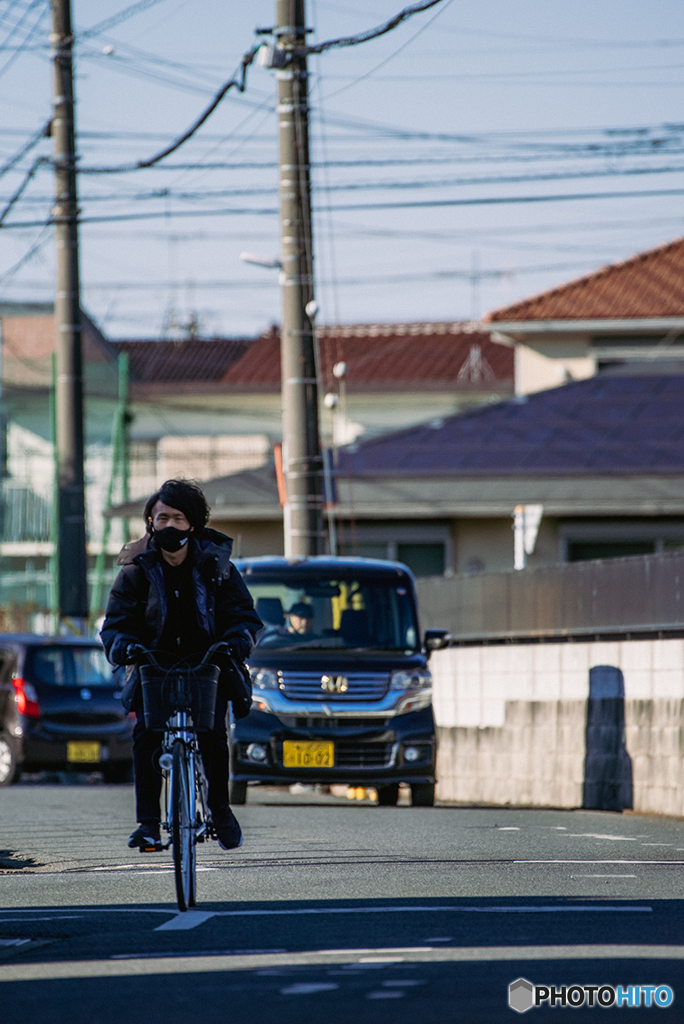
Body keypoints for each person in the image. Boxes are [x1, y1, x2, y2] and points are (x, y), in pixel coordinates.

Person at [100, 479, 262, 853]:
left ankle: (220, 811)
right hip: (151, 665)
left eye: (178, 518)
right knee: (146, 735)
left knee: (213, 736)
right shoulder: (136, 569)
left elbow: (244, 617)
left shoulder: (218, 567)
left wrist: (236, 641)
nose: (169, 525)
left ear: (194, 524)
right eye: (162, 518)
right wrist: (125, 645)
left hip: (208, 663)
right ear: (150, 523)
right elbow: (115, 624)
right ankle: (148, 825)